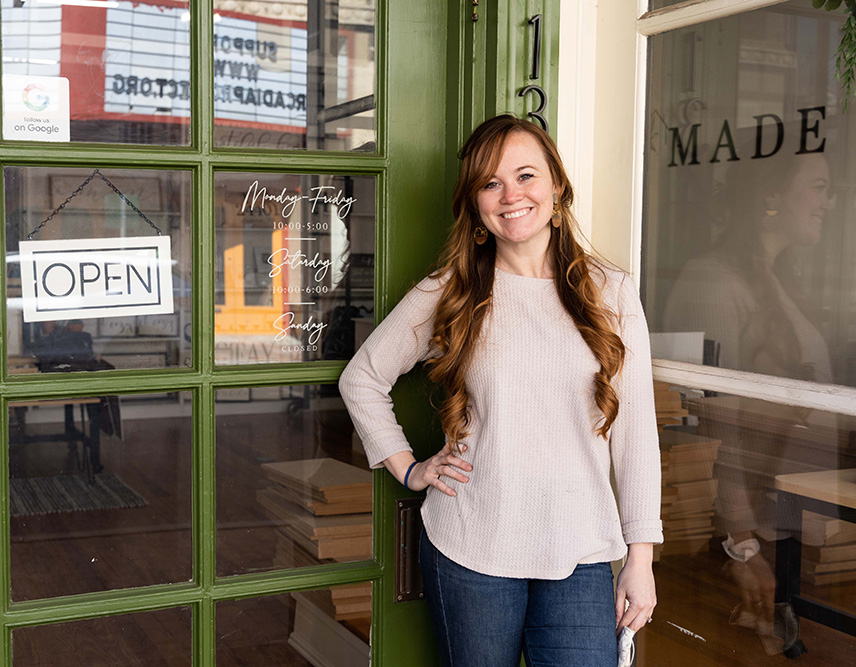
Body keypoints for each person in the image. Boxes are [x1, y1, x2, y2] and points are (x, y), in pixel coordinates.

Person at [339, 114, 662, 666]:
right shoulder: (452, 291)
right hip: (471, 546)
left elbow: (636, 436)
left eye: (526, 176)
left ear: (556, 186)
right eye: (491, 183)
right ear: (477, 205)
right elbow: (362, 378)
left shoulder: (612, 292)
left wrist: (641, 558)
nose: (511, 195)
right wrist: (410, 468)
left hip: (579, 551)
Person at [661, 150, 835, 657]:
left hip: (793, 525)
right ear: (770, 197)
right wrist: (742, 545)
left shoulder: (779, 280)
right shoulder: (712, 282)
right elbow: (717, 425)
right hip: (753, 540)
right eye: (819, 186)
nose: (830, 201)